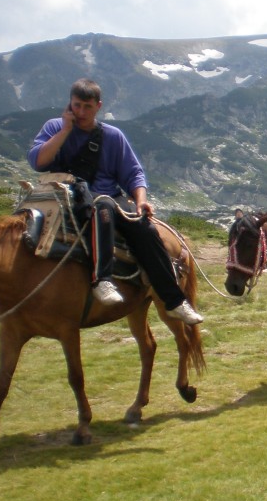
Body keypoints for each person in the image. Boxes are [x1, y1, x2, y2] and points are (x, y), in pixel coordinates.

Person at [28, 79, 203, 325]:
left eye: (87, 107)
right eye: (76, 106)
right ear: (69, 104)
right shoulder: (54, 127)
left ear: (98, 106)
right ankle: (102, 280)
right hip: (70, 198)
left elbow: (134, 174)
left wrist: (141, 201)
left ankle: (174, 301)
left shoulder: (113, 136)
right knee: (104, 208)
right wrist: (65, 130)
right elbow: (38, 160)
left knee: (145, 228)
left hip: (110, 196)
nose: (81, 112)